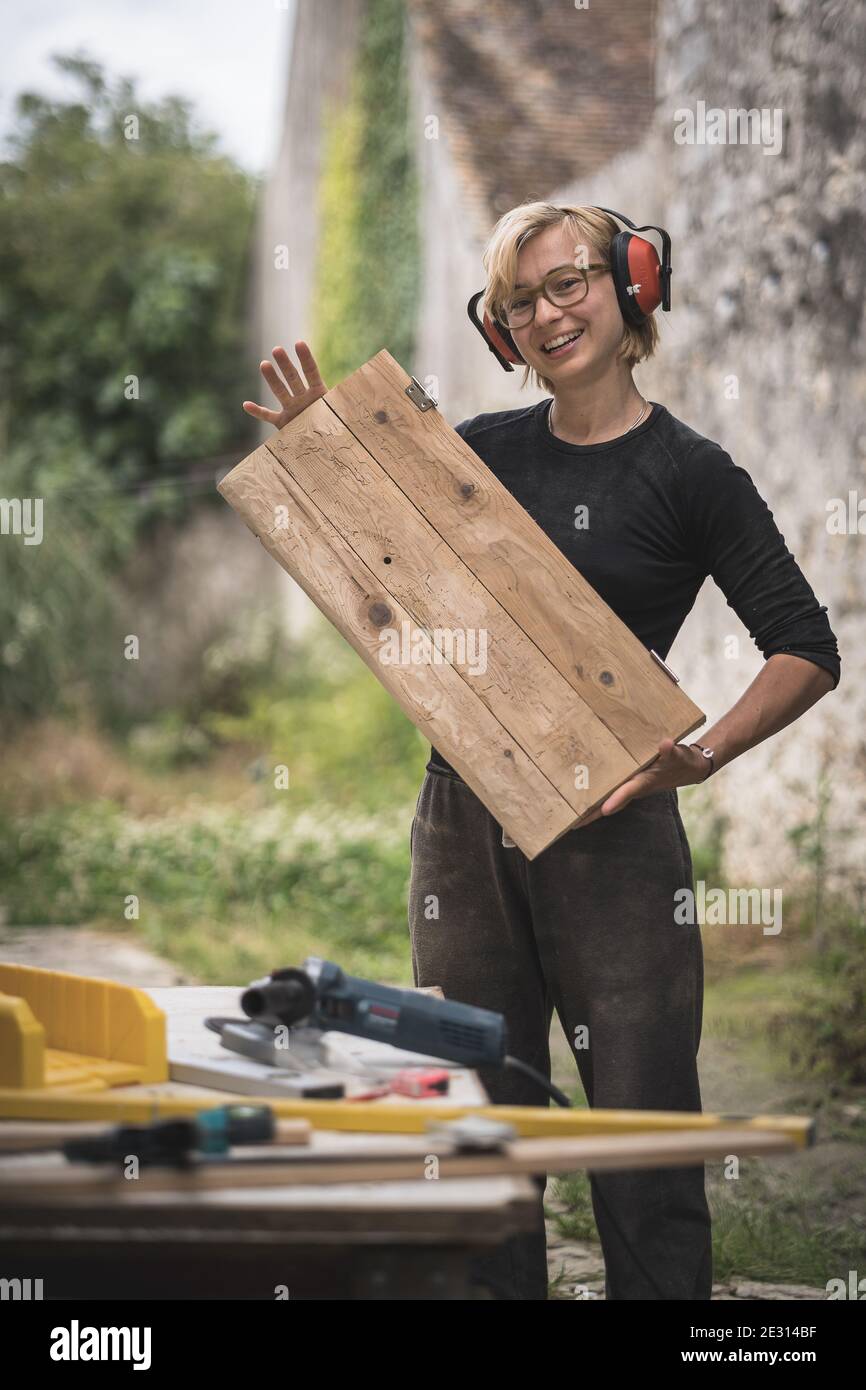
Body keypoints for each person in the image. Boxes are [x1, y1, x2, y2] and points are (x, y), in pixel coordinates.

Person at [243, 202, 840, 1300]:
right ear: (498, 328)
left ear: (631, 285)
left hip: (616, 831)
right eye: (519, 300)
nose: (546, 313)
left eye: (567, 282)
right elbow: (387, 570)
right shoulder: (472, 454)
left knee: (639, 1131)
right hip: (459, 821)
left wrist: (699, 757)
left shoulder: (691, 473)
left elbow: (804, 648)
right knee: (478, 1125)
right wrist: (326, 457)